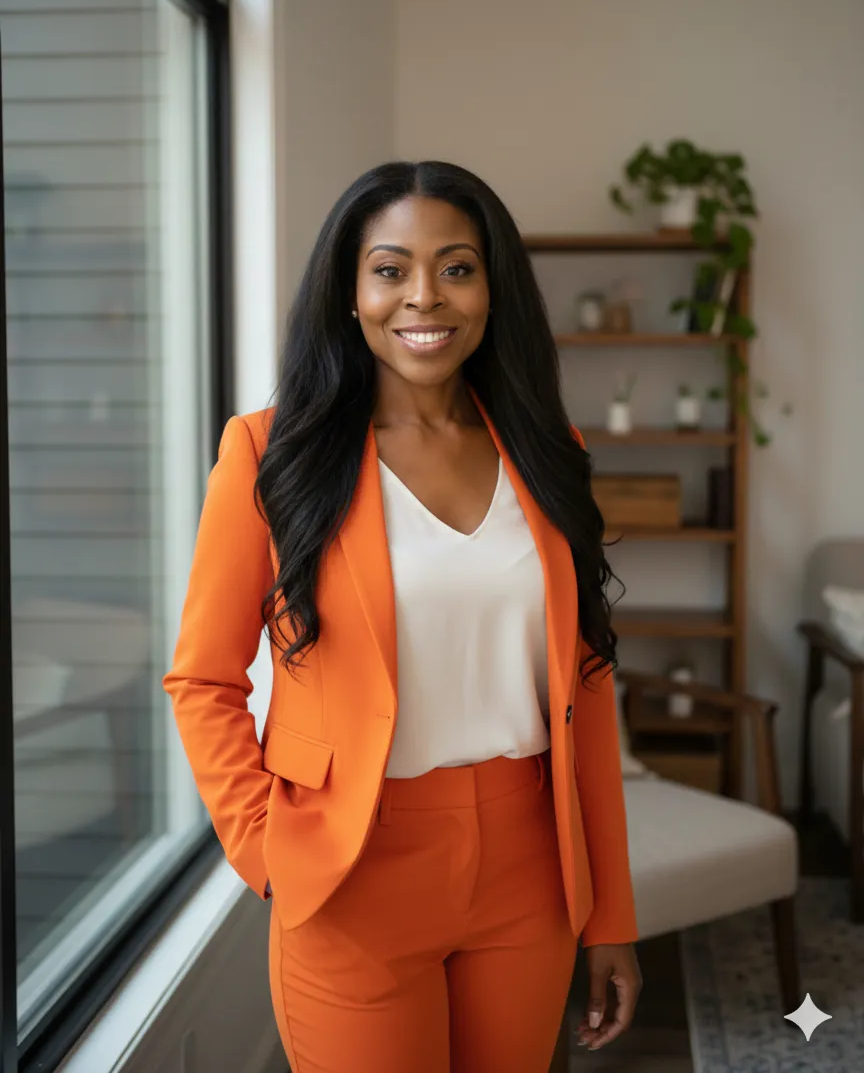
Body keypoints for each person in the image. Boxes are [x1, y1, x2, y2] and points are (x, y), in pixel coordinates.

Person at [163, 160, 642, 1072]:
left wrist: (610, 911)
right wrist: (265, 849)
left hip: (529, 865)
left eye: (457, 268)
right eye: (390, 269)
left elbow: (586, 687)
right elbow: (202, 679)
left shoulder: (551, 450)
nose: (425, 296)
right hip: (350, 867)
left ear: (494, 290)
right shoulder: (269, 453)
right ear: (350, 292)